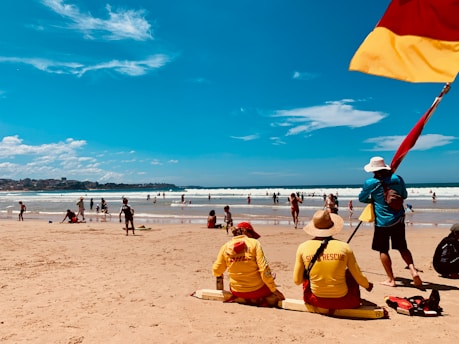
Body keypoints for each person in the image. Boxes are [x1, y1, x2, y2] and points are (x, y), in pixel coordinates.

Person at [358, 156, 423, 289]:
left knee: (383, 250)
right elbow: (404, 195)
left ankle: (391, 279)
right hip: (398, 219)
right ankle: (413, 270)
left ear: (373, 170)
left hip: (382, 222)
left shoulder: (370, 182)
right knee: (402, 247)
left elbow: (362, 198)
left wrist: (374, 199)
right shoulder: (398, 179)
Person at [293, 210, 373, 309]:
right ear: (332, 227)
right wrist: (368, 285)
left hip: (315, 300)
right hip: (344, 301)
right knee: (349, 274)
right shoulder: (344, 247)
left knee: (307, 276)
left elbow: (297, 281)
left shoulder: (303, 247)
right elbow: (358, 277)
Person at [213, 222, 285, 307]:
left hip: (236, 290)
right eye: (252, 235)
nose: (254, 238)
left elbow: (216, 270)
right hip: (257, 290)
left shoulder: (225, 247)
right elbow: (264, 269)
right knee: (269, 278)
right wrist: (275, 290)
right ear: (246, 232)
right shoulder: (254, 243)